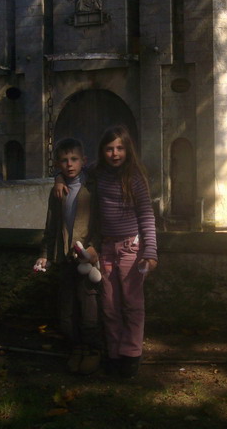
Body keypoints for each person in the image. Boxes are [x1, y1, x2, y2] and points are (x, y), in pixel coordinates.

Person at [55, 125, 158, 379]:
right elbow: (73, 170)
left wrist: (151, 251)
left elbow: (146, 215)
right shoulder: (97, 172)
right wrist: (58, 179)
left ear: (127, 150)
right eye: (110, 148)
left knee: (132, 304)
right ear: (102, 151)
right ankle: (113, 353)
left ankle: (131, 355)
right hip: (106, 248)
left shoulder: (135, 177)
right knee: (109, 305)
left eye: (120, 148)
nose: (115, 153)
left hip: (131, 247)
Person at [34, 138, 101, 375]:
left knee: (89, 306)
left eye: (74, 159)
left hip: (86, 257)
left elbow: (102, 223)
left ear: (83, 160)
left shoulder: (93, 185)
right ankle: (76, 348)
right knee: (67, 310)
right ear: (57, 163)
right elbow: (51, 225)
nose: (69, 164)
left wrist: (95, 248)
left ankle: (92, 350)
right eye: (64, 160)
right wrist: (45, 254)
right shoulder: (58, 191)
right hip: (64, 257)